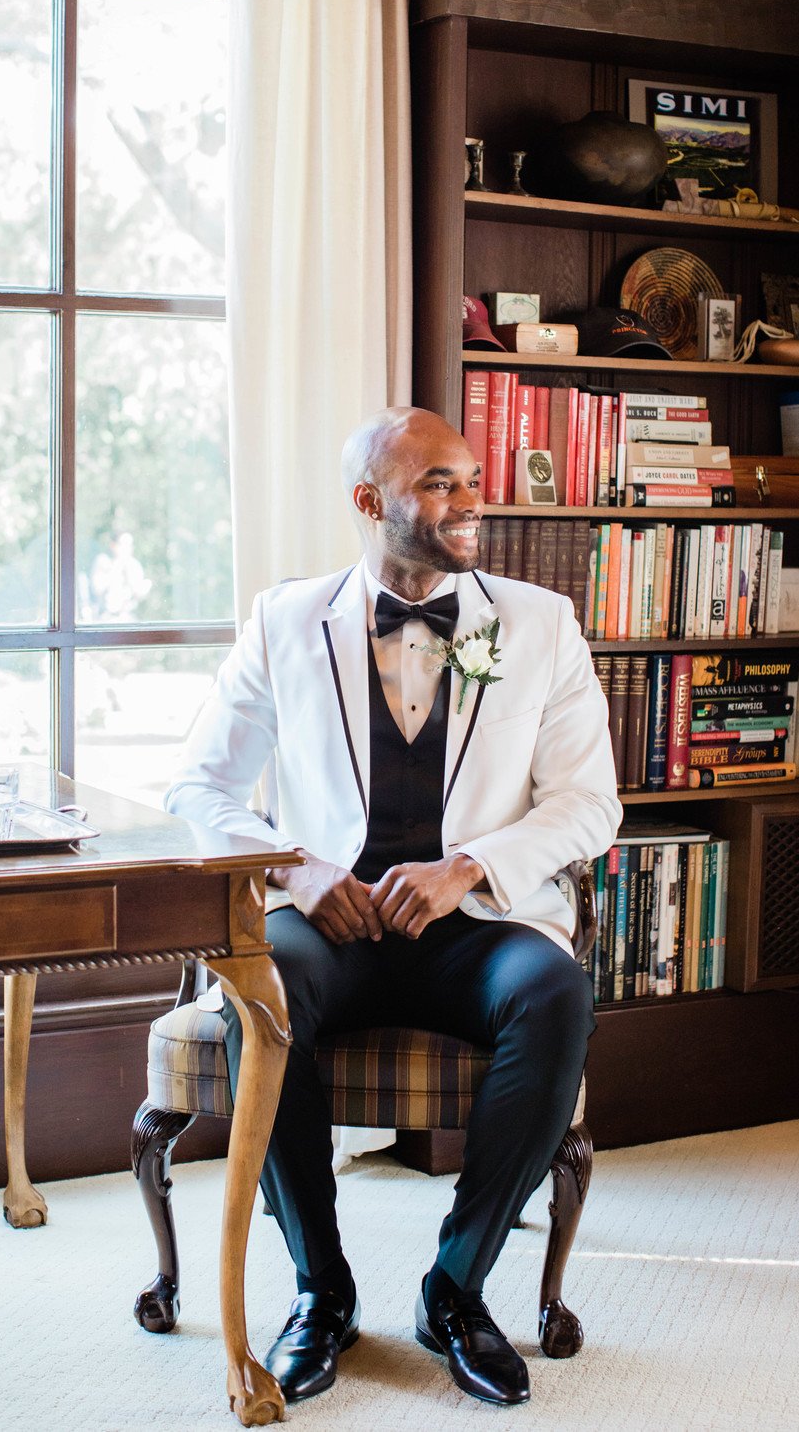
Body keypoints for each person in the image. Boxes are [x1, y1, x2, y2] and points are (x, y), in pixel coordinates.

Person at [165, 406, 621, 1407]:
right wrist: (299, 873)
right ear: (370, 503)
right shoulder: (286, 621)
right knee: (265, 990)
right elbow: (196, 789)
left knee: (554, 993)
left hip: (482, 927)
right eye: (438, 484)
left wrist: (469, 867)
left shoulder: (540, 624)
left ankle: (456, 1292)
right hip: (329, 924)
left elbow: (592, 803)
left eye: (470, 477)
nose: (467, 501)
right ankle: (320, 1292)